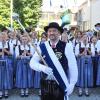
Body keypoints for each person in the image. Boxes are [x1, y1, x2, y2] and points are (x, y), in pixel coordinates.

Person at [30, 22, 78, 100]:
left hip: (60, 83)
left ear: (59, 33)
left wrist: (72, 83)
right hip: (46, 85)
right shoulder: (42, 47)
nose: (51, 33)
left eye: (54, 31)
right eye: (49, 31)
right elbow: (32, 63)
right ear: (47, 33)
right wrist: (42, 68)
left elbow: (73, 67)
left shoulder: (67, 46)